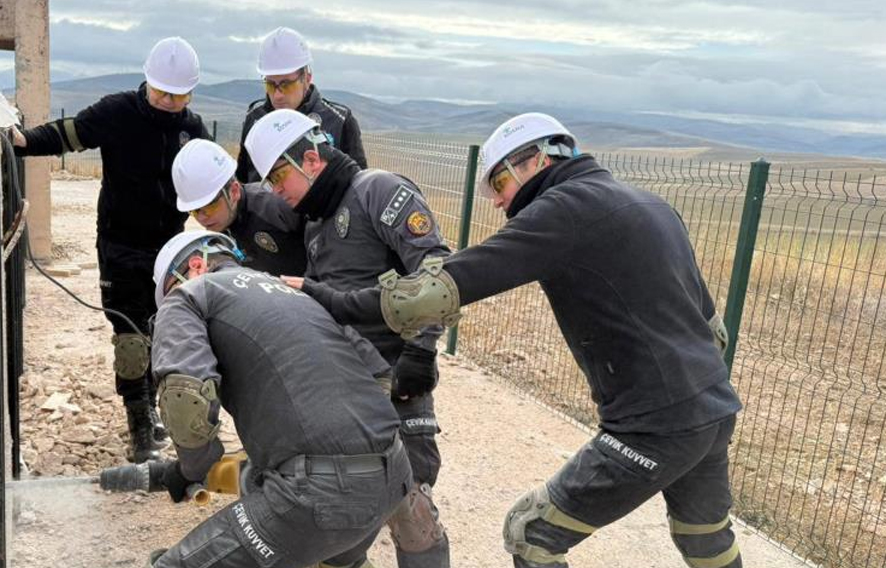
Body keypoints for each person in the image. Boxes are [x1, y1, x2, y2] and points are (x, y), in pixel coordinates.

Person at [293, 113, 744, 568]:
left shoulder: (563, 210)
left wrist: (330, 299)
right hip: (716, 408)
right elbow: (713, 329)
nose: (497, 201)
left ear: (537, 160)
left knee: (530, 532)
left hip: (654, 426)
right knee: (705, 538)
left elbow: (436, 290)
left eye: (499, 183)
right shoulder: (653, 205)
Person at [245, 109, 453, 568]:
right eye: (268, 180)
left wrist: (421, 350)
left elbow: (436, 270)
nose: (275, 189)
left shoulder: (378, 191)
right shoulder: (317, 222)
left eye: (279, 175)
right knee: (340, 510)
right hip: (347, 386)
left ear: (311, 159)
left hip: (400, 379)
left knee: (412, 509)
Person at [147, 231, 413, 568]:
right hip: (393, 475)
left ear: (196, 266)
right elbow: (379, 375)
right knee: (333, 559)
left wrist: (191, 469)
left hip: (319, 495)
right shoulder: (293, 294)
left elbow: (186, 402)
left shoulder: (189, 294)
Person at [11, 37, 211, 463]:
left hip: (168, 250)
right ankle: (139, 426)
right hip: (120, 244)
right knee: (131, 337)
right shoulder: (117, 112)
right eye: (161, 92)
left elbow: (210, 179)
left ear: (191, 93)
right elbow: (69, 134)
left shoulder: (192, 130)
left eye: (177, 96)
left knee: (163, 333)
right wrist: (24, 141)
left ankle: (155, 410)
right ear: (147, 81)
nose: (167, 102)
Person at [235, 27, 367, 183]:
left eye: (286, 85)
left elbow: (359, 187)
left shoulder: (339, 121)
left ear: (307, 78)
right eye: (270, 85)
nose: (277, 95)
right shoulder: (255, 118)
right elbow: (243, 181)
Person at [172, 139, 307, 276]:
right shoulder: (217, 236)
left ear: (234, 191)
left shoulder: (275, 207)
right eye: (194, 211)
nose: (201, 218)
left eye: (209, 207)